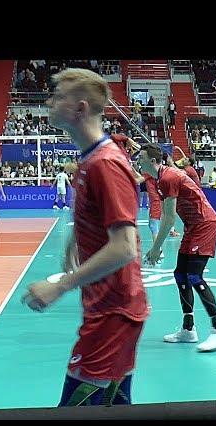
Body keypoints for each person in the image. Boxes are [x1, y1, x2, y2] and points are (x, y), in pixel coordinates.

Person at [22, 68, 148, 406]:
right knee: (113, 405)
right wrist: (74, 243)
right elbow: (95, 215)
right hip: (107, 308)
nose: (49, 102)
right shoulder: (88, 160)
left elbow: (125, 247)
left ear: (79, 108)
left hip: (114, 313)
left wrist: (60, 285)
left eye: (58, 96)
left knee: (74, 408)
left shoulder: (106, 163)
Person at [138, 143, 216, 352]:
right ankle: (188, 329)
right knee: (180, 274)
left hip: (204, 224)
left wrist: (155, 248)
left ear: (153, 161)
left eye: (141, 157)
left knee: (194, 277)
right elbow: (166, 215)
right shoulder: (159, 179)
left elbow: (170, 218)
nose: (138, 160)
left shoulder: (169, 177)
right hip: (192, 226)